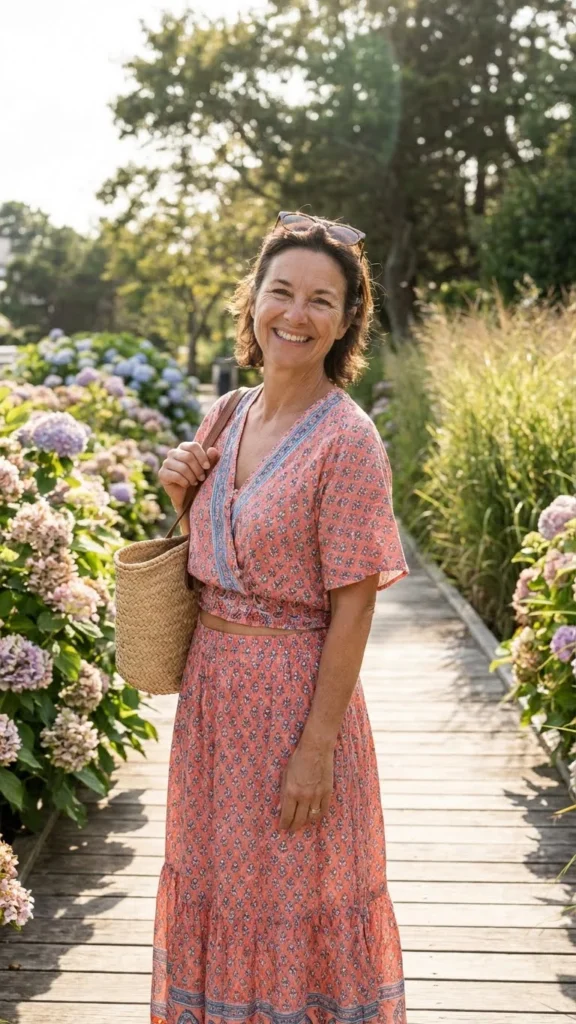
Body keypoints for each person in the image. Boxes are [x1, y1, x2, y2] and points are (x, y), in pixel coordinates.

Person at [152, 211, 410, 1024]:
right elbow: (207, 556)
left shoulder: (349, 440)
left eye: (321, 301)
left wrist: (317, 750)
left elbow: (355, 605)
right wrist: (179, 495)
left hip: (297, 706)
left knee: (297, 901)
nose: (295, 315)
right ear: (253, 302)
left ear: (346, 322)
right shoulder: (226, 415)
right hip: (212, 707)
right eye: (281, 292)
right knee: (218, 891)